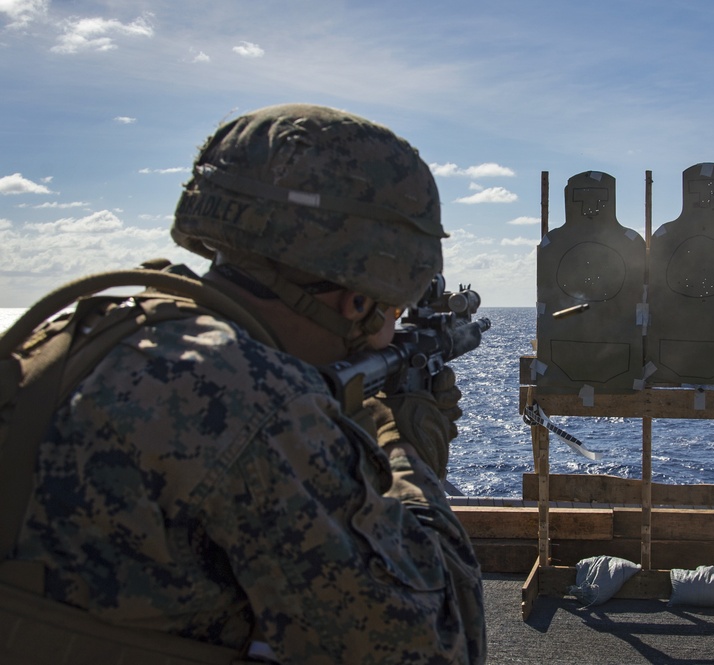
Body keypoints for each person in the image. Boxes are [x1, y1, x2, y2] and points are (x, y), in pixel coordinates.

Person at [4, 104, 486, 663]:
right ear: (357, 300)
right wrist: (405, 451)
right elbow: (439, 644)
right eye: (393, 311)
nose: (390, 331)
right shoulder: (258, 403)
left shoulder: (84, 334)